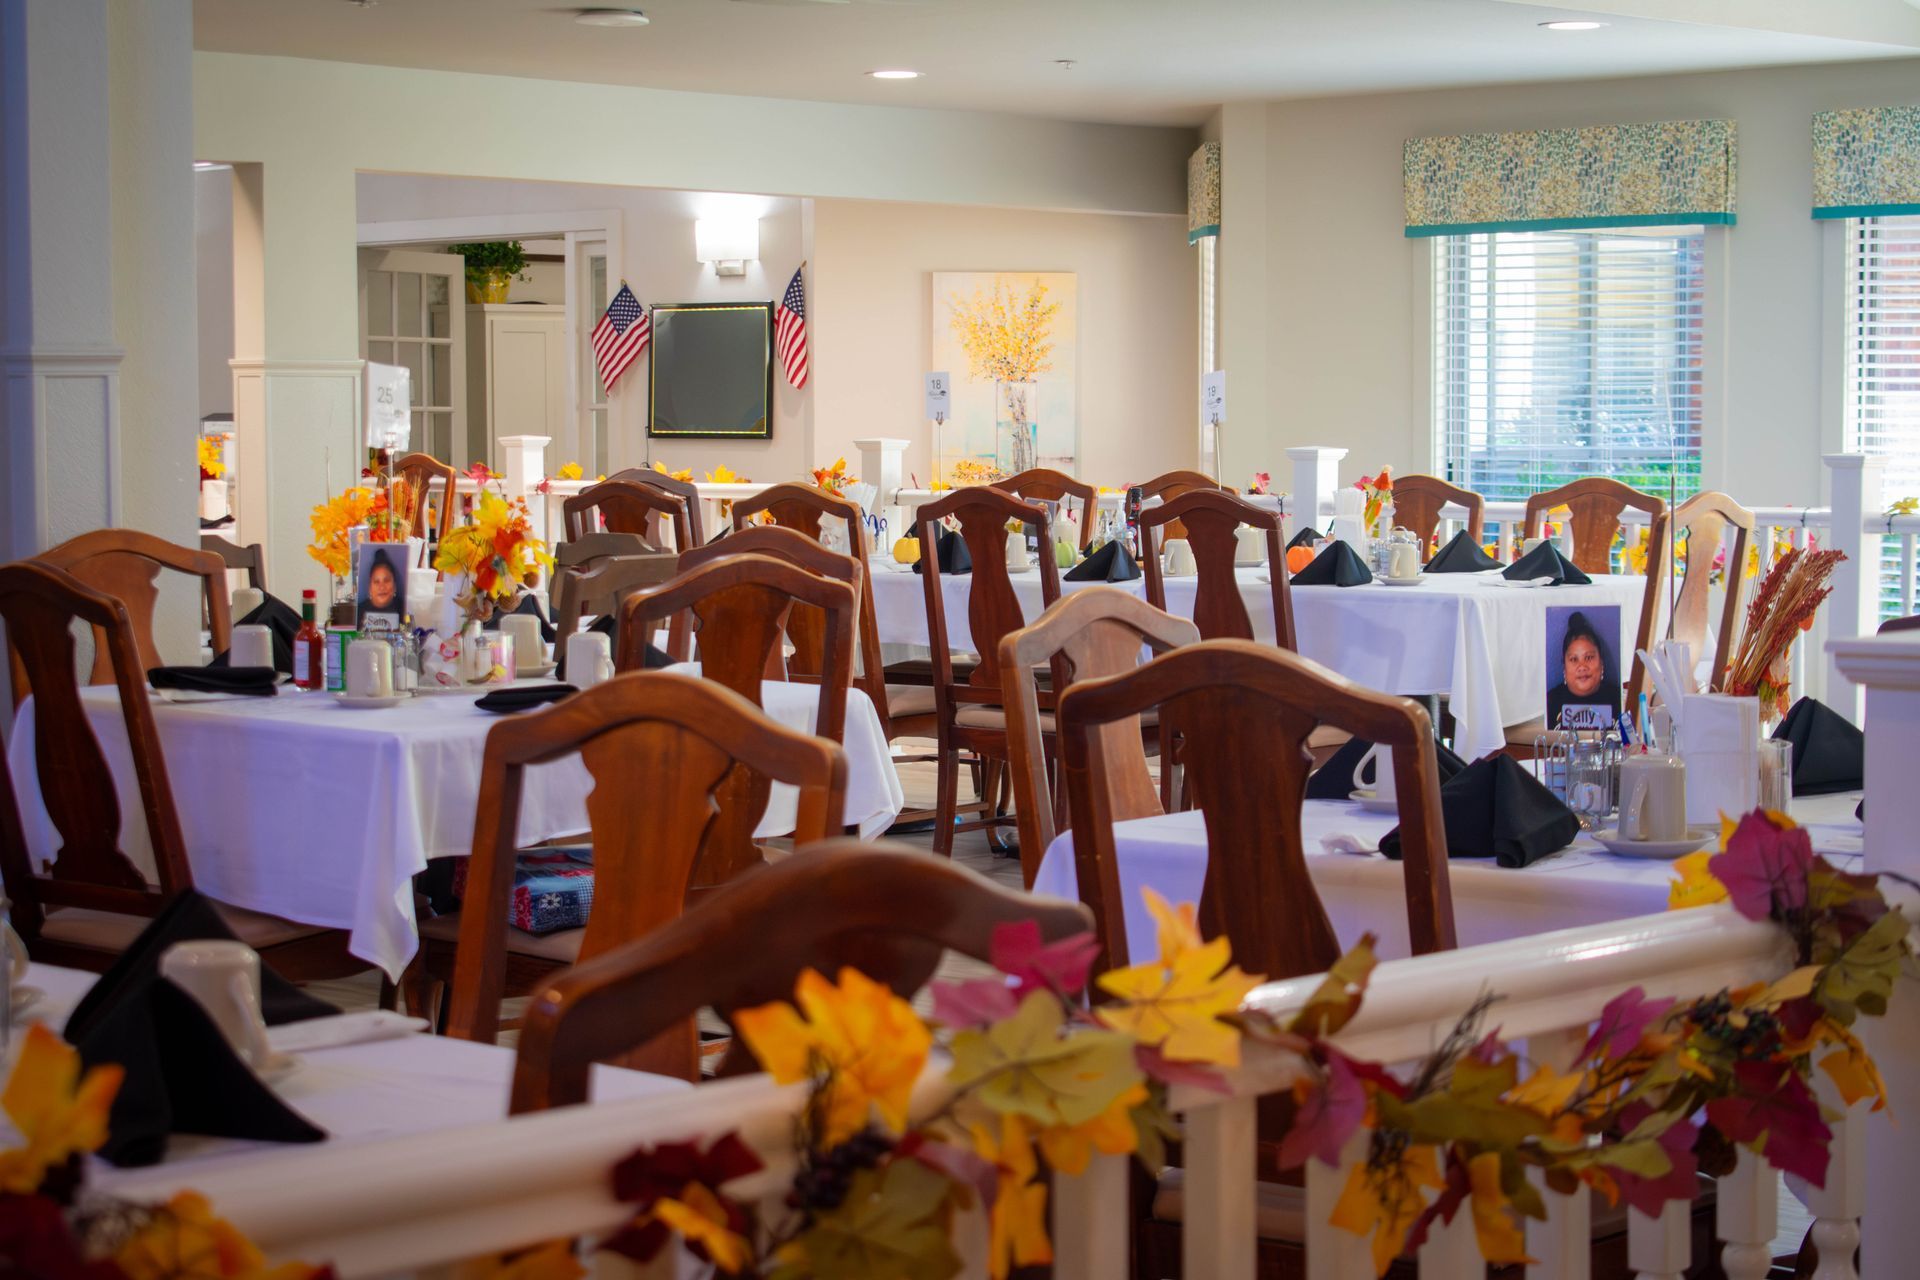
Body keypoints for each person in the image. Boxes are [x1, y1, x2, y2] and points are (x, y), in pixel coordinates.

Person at [1547, 610, 1621, 729]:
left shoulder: (1620, 701)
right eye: (1574, 659)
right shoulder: (1549, 703)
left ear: (1601, 663)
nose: (1582, 666)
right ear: (1564, 668)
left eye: (1589, 657)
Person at [357, 546, 405, 631]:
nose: (382, 587)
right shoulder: (358, 613)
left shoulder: (405, 610)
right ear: (369, 588)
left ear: (394, 586)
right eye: (376, 581)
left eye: (386, 580)